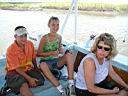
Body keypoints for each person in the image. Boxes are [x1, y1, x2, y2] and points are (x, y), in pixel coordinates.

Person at [37, 16, 74, 95]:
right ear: (49, 25)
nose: (56, 27)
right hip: (46, 64)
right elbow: (38, 54)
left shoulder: (59, 37)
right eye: (53, 25)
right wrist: (50, 53)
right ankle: (61, 89)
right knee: (42, 64)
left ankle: (71, 84)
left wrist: (62, 51)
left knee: (69, 55)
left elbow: (60, 49)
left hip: (56, 62)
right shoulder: (44, 38)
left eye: (57, 25)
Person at [5, 26, 44, 96]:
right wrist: (29, 79)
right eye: (21, 36)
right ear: (15, 36)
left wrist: (36, 68)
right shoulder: (10, 50)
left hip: (27, 69)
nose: (24, 38)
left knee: (41, 80)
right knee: (24, 85)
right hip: (14, 72)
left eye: (25, 35)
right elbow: (17, 68)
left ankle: (15, 86)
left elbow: (33, 57)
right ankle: (18, 84)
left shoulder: (30, 44)